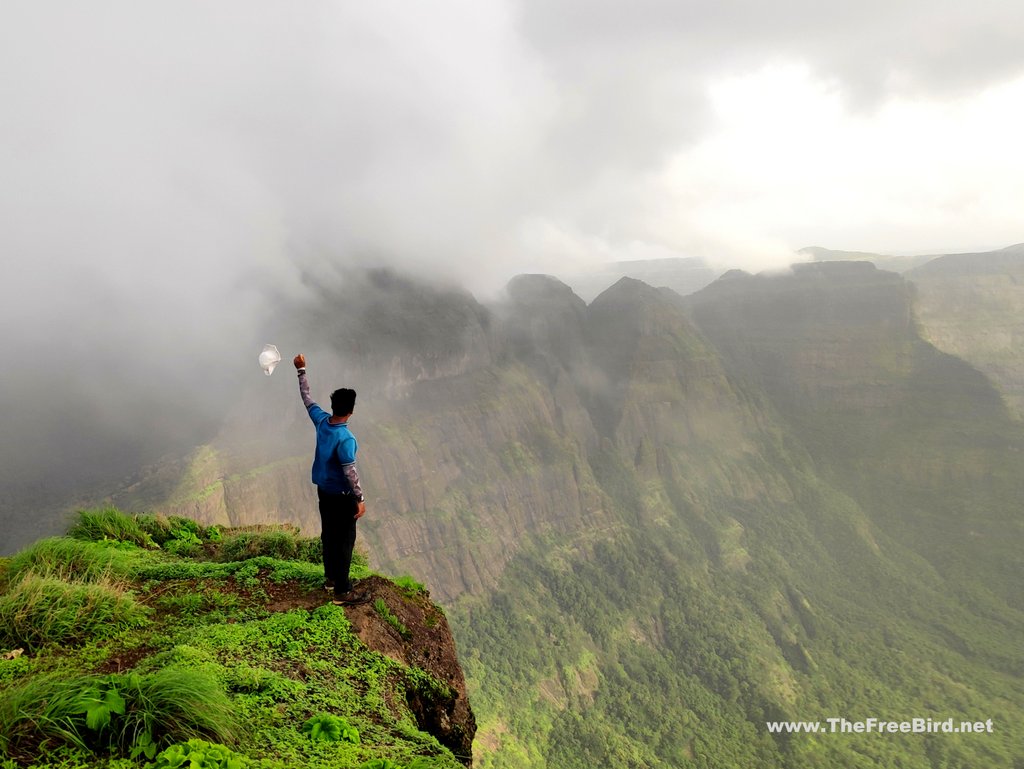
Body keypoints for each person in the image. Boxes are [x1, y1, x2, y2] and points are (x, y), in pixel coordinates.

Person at [293, 353, 368, 605]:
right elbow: (351, 473)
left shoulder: (322, 421)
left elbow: (307, 399)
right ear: (351, 411)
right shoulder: (346, 439)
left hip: (324, 491)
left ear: (334, 406)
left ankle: (330, 580)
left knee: (329, 535)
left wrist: (301, 370)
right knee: (345, 541)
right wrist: (360, 499)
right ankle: (342, 592)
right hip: (341, 495)